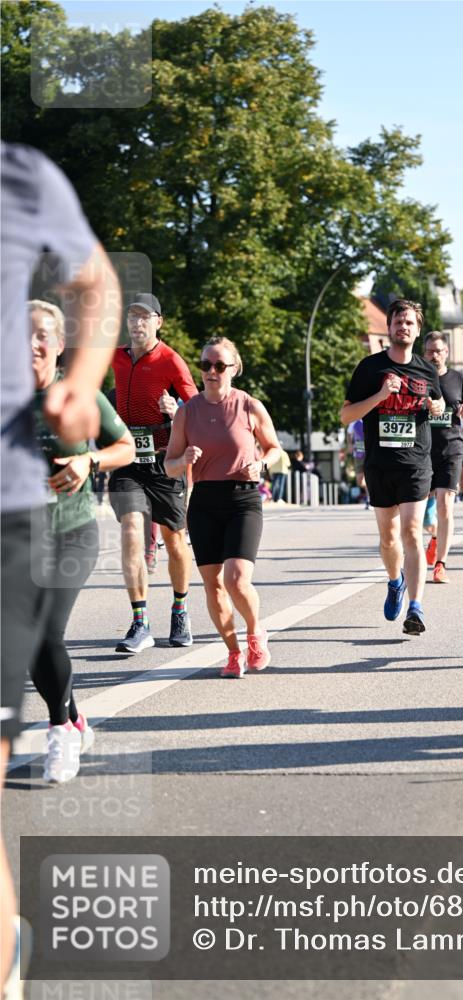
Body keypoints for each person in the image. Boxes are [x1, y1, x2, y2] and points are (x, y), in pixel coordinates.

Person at [1, 141, 120, 991]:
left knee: (47, 635)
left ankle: (66, 723)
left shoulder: (20, 179)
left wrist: (79, 403)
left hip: (50, 527)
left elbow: (97, 284)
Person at [29, 300, 135, 782]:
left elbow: (125, 446)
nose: (31, 344)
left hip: (71, 533)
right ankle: (73, 718)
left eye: (41, 336)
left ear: (58, 345)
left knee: (44, 632)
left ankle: (60, 734)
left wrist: (87, 461)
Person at [165, 337, 281, 677]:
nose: (211, 371)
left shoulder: (249, 406)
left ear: (234, 368)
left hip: (243, 499)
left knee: (237, 579)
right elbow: (169, 465)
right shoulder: (187, 412)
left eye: (219, 365)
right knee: (213, 585)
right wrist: (183, 459)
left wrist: (261, 464)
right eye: (205, 365)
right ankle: (233, 652)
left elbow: (274, 448)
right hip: (204, 501)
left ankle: (255, 633)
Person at [340, 299, 444, 634]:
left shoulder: (427, 370)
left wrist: (438, 407)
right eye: (398, 321)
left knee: (412, 531)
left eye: (410, 322)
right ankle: (395, 580)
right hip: (380, 464)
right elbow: (345, 416)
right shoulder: (370, 368)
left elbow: (438, 405)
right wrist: (380, 396)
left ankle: (416, 607)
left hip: (416, 463)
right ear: (389, 328)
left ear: (418, 329)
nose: (404, 327)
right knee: (388, 539)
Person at [109, 294, 198, 652]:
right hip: (128, 459)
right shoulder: (116, 356)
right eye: (132, 316)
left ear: (158, 322)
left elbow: (197, 408)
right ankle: (140, 622)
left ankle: (180, 609)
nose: (137, 323)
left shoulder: (172, 361)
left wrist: (177, 409)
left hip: (164, 462)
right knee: (132, 529)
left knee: (175, 542)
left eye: (144, 317)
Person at [422, 331, 463, 582]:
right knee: (422, 515)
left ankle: (440, 564)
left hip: (451, 449)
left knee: (445, 506)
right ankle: (434, 536)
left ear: (446, 353)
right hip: (421, 451)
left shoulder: (457, 378)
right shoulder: (418, 379)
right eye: (430, 351)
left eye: (439, 351)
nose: (435, 355)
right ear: (424, 353)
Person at [346, 417, 369, 507]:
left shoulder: (371, 417)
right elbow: (349, 433)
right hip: (359, 453)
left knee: (369, 476)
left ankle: (369, 499)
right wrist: (349, 444)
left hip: (370, 452)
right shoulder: (354, 421)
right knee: (360, 481)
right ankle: (370, 492)